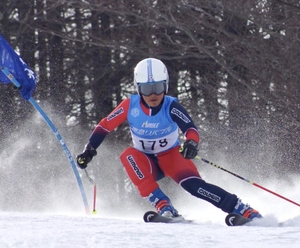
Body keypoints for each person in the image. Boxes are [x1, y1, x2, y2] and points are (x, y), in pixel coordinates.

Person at [76, 57, 261, 220]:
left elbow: (190, 129)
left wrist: (191, 143)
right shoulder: (129, 105)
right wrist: (89, 150)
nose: (153, 95)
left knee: (195, 187)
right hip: (147, 161)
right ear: (138, 89)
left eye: (158, 88)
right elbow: (103, 126)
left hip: (171, 157)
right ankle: (164, 206)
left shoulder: (171, 106)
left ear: (165, 86)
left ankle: (242, 209)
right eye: (147, 89)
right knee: (128, 156)